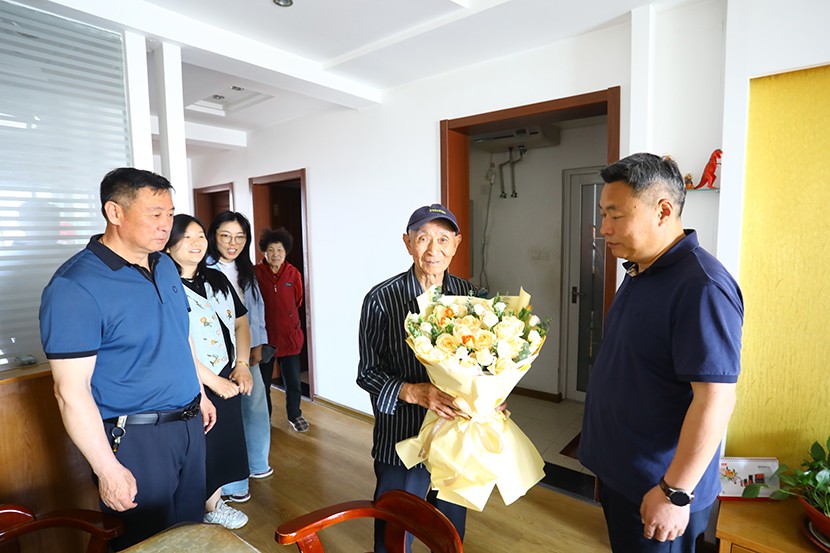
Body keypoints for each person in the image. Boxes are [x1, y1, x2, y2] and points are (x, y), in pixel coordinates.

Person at [39, 168, 217, 551]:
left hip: (189, 426)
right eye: (155, 214)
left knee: (191, 533)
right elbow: (70, 392)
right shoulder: (75, 286)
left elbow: (179, 334)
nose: (166, 224)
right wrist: (107, 468)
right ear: (114, 212)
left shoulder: (164, 265)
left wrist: (199, 393)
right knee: (149, 541)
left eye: (170, 214)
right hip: (136, 437)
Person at [578, 153, 744, 552]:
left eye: (615, 215)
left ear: (663, 211)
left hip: (659, 487)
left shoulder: (702, 287)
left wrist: (675, 493)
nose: (604, 228)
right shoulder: (642, 269)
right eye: (603, 214)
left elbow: (716, 400)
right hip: (624, 475)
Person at [357, 204, 472, 553]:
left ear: (456, 243)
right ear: (408, 243)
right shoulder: (381, 299)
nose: (433, 250)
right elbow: (367, 373)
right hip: (402, 436)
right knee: (393, 532)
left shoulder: (471, 297)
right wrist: (414, 392)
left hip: (455, 436)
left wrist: (490, 398)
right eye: (423, 239)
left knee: (450, 532)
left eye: (443, 239)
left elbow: (484, 367)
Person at [165, 214, 252, 529]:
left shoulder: (217, 279)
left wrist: (242, 365)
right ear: (168, 244)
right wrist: (211, 380)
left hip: (226, 373)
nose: (196, 243)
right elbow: (174, 342)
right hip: (191, 378)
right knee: (201, 444)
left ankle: (214, 503)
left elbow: (241, 322)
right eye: (186, 237)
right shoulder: (164, 285)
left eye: (200, 235)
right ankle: (206, 507)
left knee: (222, 441)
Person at [205, 211, 274, 504]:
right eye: (225, 236)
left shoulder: (247, 269)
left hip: (246, 350)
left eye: (240, 237)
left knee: (255, 407)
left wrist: (259, 344)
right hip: (217, 356)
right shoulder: (203, 268)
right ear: (213, 237)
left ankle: (258, 463)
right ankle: (231, 482)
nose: (233, 243)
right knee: (227, 415)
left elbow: (256, 310)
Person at [256, 228, 308, 432]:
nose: (275, 254)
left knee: (293, 382)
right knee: (263, 384)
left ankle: (295, 415)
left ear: (285, 252)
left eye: (280, 250)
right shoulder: (255, 273)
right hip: (265, 339)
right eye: (271, 250)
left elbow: (298, 300)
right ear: (264, 252)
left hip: (289, 337)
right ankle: (264, 418)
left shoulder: (293, 273)